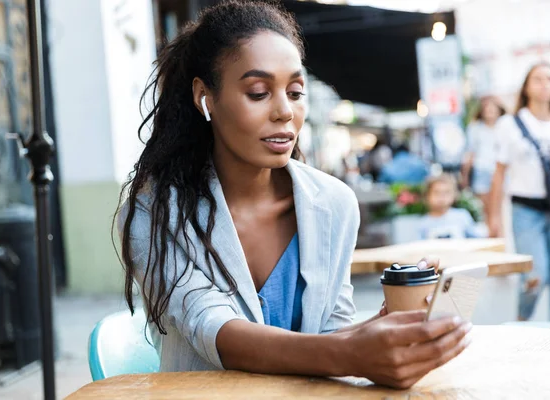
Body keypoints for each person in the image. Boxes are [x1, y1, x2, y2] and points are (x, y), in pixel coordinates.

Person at [115, 1, 471, 389]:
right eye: (258, 92)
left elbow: (327, 332)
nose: (285, 111)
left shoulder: (333, 204)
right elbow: (214, 330)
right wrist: (357, 352)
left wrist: (387, 325)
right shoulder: (155, 210)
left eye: (296, 91)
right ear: (206, 97)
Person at [490, 62, 550, 321]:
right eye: (538, 79)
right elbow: (499, 173)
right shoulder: (510, 124)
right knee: (535, 276)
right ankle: (522, 323)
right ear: (526, 87)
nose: (545, 84)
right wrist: (493, 218)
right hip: (526, 209)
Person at [460, 96, 506, 227]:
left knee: (500, 208)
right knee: (485, 209)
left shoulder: (505, 126)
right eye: (487, 108)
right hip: (482, 171)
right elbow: (470, 153)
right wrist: (465, 176)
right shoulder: (475, 128)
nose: (490, 111)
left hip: (501, 171)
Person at [418, 174, 483, 240]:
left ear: (454, 194)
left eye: (446, 192)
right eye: (437, 192)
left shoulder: (462, 216)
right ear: (427, 195)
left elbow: (475, 238)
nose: (441, 196)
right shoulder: (423, 223)